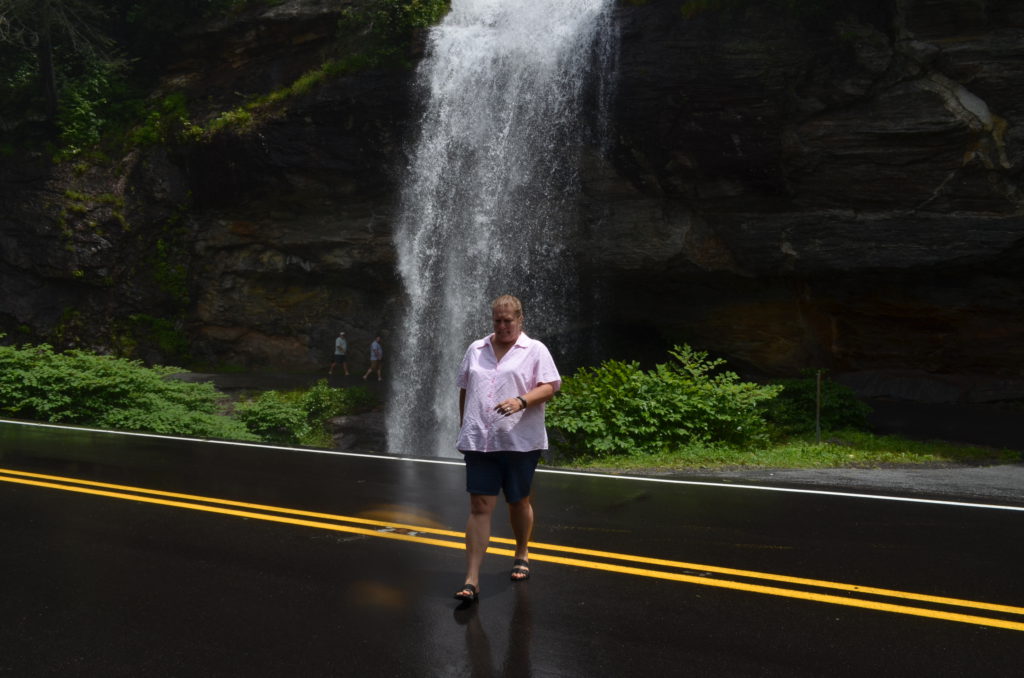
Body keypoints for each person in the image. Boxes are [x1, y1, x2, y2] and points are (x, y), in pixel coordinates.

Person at [453, 295, 560, 603]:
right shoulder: (476, 349)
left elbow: (551, 385)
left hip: (519, 442)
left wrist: (521, 400)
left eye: (508, 321)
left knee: (517, 500)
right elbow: (465, 388)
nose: (502, 326)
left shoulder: (535, 349)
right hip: (479, 441)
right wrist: (464, 425)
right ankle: (472, 578)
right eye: (497, 321)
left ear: (520, 320)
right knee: (479, 507)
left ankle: (522, 551)